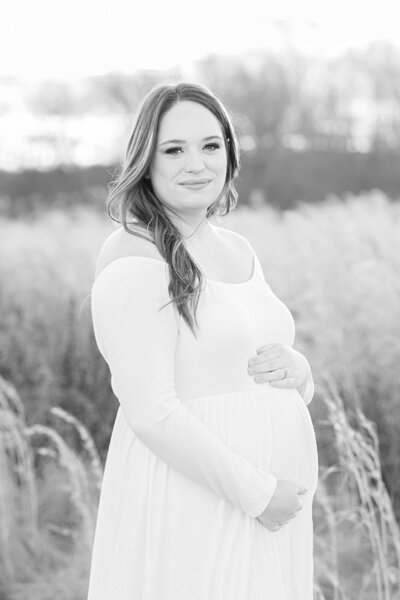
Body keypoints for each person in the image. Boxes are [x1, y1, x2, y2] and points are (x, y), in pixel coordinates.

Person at [86, 81, 319, 600]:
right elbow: (151, 412)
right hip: (201, 500)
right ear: (145, 161)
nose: (197, 163)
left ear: (230, 155)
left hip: (270, 510)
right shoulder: (135, 256)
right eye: (174, 149)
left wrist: (298, 374)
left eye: (211, 145)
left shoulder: (237, 248)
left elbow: (241, 365)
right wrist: (258, 494)